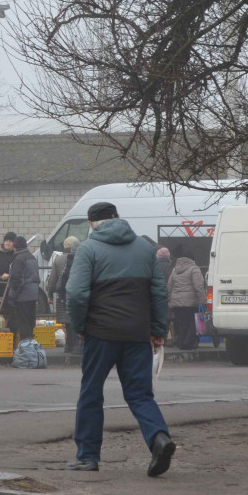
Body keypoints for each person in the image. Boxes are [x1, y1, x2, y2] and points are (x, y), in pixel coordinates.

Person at [66, 202, 174, 476]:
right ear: (117, 218)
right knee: (140, 394)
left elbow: (77, 294)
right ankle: (159, 438)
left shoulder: (88, 249)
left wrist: (79, 326)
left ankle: (88, 456)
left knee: (91, 392)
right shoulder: (144, 248)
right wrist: (158, 330)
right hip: (137, 333)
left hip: (100, 333)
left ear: (91, 224)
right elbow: (159, 293)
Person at [167, 241, 205, 350]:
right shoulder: (194, 269)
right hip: (190, 303)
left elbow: (169, 286)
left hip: (176, 303)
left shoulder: (175, 269)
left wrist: (169, 299)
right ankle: (187, 343)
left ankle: (181, 343)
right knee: (192, 324)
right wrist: (203, 301)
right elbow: (198, 287)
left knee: (182, 324)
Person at [46, 237, 80, 353]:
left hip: (62, 295)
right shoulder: (80, 258)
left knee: (67, 321)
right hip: (76, 293)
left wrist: (50, 293)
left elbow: (52, 281)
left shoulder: (58, 259)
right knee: (75, 319)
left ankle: (68, 345)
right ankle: (75, 345)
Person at [6, 235, 40, 343]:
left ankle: (26, 352)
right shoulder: (32, 257)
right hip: (33, 295)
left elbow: (17, 280)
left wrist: (12, 296)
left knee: (23, 326)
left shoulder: (19, 259)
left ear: (16, 247)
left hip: (22, 297)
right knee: (30, 325)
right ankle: (31, 349)